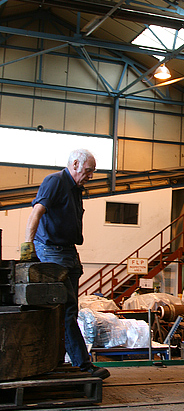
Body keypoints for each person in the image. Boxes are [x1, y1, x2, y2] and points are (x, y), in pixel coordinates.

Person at [21, 148, 110, 380]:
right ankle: (83, 365)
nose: (91, 175)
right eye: (89, 171)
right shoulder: (55, 181)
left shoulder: (75, 189)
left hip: (69, 253)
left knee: (67, 310)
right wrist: (27, 245)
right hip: (52, 252)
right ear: (76, 164)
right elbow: (36, 212)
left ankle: (59, 360)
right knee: (68, 309)